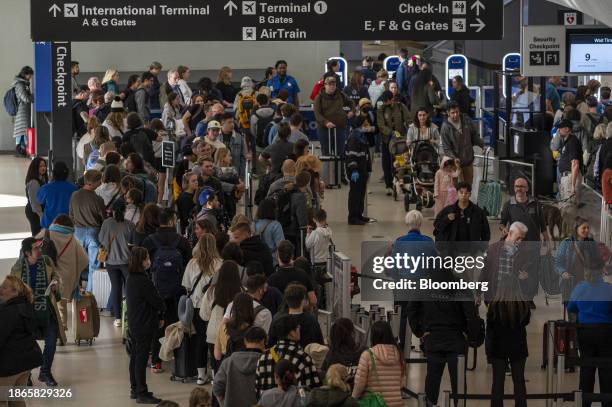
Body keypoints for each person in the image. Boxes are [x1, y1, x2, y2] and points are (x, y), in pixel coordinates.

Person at [406, 269, 480, 407]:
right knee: (458, 383)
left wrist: (420, 332)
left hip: (433, 339)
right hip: (456, 339)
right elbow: (471, 314)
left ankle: (429, 404)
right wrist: (470, 336)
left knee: (432, 381)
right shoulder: (461, 285)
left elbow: (411, 309)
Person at [141, 208, 191, 372]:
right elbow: (189, 264)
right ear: (171, 221)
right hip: (178, 290)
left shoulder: (149, 241)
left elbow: (142, 264)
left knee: (158, 325)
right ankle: (178, 360)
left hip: (156, 291)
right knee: (176, 323)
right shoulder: (181, 241)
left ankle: (156, 362)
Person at [10, 237, 62, 386]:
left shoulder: (46, 261)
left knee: (51, 341)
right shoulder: (18, 268)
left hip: (46, 310)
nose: (39, 250)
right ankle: (26, 375)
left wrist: (55, 285)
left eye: (39, 247)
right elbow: (12, 290)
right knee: (27, 344)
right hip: (27, 313)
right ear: (27, 253)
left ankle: (45, 373)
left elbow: (56, 276)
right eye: (35, 248)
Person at [499, 177, 548, 307]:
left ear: (527, 188)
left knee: (532, 271)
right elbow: (502, 223)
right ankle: (517, 297)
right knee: (516, 270)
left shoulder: (535, 203)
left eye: (522, 186)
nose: (519, 189)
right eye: (516, 186)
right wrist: (504, 229)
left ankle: (529, 298)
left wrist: (547, 240)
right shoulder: (508, 204)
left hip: (533, 245)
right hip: (515, 246)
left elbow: (542, 224)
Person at [567, 267, 612, 406]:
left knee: (587, 369)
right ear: (602, 273)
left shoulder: (580, 288)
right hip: (606, 333)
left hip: (585, 332)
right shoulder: (608, 289)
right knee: (607, 370)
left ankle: (585, 403)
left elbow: (571, 308)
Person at [126, 246, 166, 404]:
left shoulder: (131, 278)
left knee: (135, 357)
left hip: (135, 323)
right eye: (147, 258)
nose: (148, 260)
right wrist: (162, 310)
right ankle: (142, 392)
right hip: (144, 323)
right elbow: (156, 300)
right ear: (141, 261)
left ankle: (135, 389)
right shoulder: (143, 280)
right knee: (141, 358)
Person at [182, 233, 222, 383]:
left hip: (196, 306)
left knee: (199, 340)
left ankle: (200, 375)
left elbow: (186, 286)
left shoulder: (192, 263)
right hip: (214, 307)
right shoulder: (220, 263)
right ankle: (214, 374)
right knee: (212, 339)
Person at [486, 282, 530, 407]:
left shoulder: (494, 305)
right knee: (519, 381)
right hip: (518, 346)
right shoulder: (523, 305)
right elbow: (526, 322)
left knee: (498, 383)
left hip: (498, 347)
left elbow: (490, 326)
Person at [199, 261, 243, 382]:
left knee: (217, 369)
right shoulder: (242, 292)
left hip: (214, 334)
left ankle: (216, 390)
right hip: (235, 336)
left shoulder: (211, 291)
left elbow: (203, 315)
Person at [0, 275, 43, 401]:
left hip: (10, 365)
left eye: (4, 287)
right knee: (16, 399)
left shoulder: (7, 311)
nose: (0, 289)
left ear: (15, 292)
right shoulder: (27, 306)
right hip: (26, 363)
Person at [43, 215, 88, 332]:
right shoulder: (72, 239)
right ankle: (62, 327)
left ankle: (54, 329)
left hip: (52, 274)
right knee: (61, 303)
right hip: (67, 277)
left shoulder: (48, 233)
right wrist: (75, 270)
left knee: (51, 303)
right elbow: (85, 260)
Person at [256, 315, 321, 394]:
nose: (299, 330)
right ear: (292, 333)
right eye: (298, 327)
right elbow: (313, 390)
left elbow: (257, 388)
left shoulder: (263, 356)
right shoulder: (302, 358)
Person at [99, 199, 135, 327]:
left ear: (112, 210)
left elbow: (101, 240)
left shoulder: (106, 223)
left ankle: (118, 318)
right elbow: (133, 243)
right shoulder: (130, 225)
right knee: (130, 288)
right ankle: (131, 315)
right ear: (125, 210)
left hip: (111, 261)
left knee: (116, 288)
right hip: (126, 261)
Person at [351, 321, 404, 407]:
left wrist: (352, 400)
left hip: (373, 403)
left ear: (373, 336)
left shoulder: (367, 355)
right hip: (396, 403)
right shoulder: (399, 355)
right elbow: (401, 383)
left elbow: (359, 384)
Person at [69, 170, 105, 292]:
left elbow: (71, 215)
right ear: (95, 182)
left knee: (77, 264)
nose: (101, 183)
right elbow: (103, 219)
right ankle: (89, 292)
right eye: (100, 181)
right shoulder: (98, 199)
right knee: (93, 265)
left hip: (78, 232)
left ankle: (75, 291)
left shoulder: (74, 195)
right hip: (94, 233)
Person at [213, 326, 267, 407]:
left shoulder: (228, 362)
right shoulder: (267, 362)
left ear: (245, 341)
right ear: (263, 341)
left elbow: (217, 388)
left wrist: (224, 404)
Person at [314, 76, 355, 181]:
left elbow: (351, 102)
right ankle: (327, 177)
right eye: (330, 84)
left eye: (334, 84)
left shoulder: (340, 94)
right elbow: (317, 114)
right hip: (324, 129)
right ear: (325, 85)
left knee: (340, 153)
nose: (332, 86)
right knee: (326, 153)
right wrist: (326, 122)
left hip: (340, 128)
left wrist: (352, 111)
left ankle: (341, 176)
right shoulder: (319, 97)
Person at [555, 217, 604, 305]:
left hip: (588, 283)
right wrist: (563, 272)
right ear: (576, 228)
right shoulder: (566, 243)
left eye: (588, 228)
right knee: (572, 312)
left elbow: (598, 262)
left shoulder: (592, 244)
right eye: (583, 228)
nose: (587, 230)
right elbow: (558, 262)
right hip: (570, 283)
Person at [479, 222, 529, 304]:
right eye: (518, 237)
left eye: (522, 238)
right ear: (510, 233)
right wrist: (478, 293)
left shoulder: (523, 253)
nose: (520, 241)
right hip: (493, 295)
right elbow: (484, 272)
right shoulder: (493, 249)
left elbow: (528, 271)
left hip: (513, 297)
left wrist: (525, 276)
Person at [433, 182, 490, 253]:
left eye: (466, 193)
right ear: (457, 193)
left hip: (471, 252)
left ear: (470, 194)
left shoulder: (478, 212)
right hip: (451, 251)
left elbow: (486, 232)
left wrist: (482, 248)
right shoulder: (448, 210)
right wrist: (447, 219)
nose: (463, 195)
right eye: (461, 192)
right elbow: (437, 226)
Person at [440, 102, 484, 186]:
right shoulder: (445, 127)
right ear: (448, 113)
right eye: (453, 113)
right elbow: (447, 148)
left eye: (457, 112)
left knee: (468, 186)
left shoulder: (466, 120)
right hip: (454, 164)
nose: (455, 115)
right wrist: (454, 158)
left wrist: (482, 145)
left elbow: (474, 135)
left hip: (468, 160)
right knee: (456, 188)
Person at [267, 283, 323, 348]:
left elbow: (270, 343)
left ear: (286, 300)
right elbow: (319, 344)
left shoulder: (277, 318)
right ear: (303, 300)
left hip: (279, 356)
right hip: (306, 356)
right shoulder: (311, 320)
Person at [377, 90, 410, 195]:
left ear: (392, 99)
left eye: (387, 101)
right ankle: (389, 185)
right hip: (387, 141)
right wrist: (391, 132)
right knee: (386, 163)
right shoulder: (381, 109)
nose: (385, 103)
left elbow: (408, 120)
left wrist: (411, 131)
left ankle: (400, 181)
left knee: (400, 161)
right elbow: (381, 125)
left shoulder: (401, 107)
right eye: (384, 101)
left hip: (399, 141)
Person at [267, 240, 317, 305]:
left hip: (280, 313)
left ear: (278, 255)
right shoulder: (302, 274)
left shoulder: (272, 279)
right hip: (300, 312)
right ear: (292, 256)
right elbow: (313, 300)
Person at [320, 318, 366, 385]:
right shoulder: (364, 353)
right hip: (360, 392)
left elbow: (324, 377)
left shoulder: (331, 356)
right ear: (352, 333)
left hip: (338, 393)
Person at [345, 116, 373, 224]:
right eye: (365, 123)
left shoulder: (361, 136)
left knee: (361, 194)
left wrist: (368, 168)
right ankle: (352, 218)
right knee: (355, 195)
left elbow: (365, 154)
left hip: (363, 169)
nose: (367, 126)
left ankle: (359, 215)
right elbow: (351, 156)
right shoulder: (354, 137)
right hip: (355, 171)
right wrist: (354, 170)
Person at [36, 161, 78, 231]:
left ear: (53, 173)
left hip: (49, 224)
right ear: (67, 173)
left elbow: (39, 201)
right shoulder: (74, 188)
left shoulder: (45, 188)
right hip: (68, 224)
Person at [556, 119, 583, 207]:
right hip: (566, 178)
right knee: (565, 208)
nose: (558, 130)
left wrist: (573, 185)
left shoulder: (573, 141)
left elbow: (575, 164)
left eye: (560, 128)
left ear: (567, 129)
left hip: (570, 178)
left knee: (569, 210)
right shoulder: (566, 141)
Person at [255, 198, 285, 266]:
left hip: (257, 261)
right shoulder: (276, 225)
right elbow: (281, 246)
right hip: (272, 262)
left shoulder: (254, 224)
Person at [12, 66, 34, 157]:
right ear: (25, 74)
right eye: (30, 75)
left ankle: (22, 150)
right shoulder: (20, 84)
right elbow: (25, 98)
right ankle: (21, 150)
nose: (31, 77)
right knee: (22, 131)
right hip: (22, 111)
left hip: (24, 110)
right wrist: (33, 97)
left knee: (22, 130)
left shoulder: (23, 84)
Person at [25, 157, 48, 235]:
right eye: (40, 166)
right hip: (34, 212)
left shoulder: (42, 178)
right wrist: (41, 215)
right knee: (37, 235)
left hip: (38, 210)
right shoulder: (34, 182)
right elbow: (34, 201)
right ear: (35, 168)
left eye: (44, 166)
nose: (43, 168)